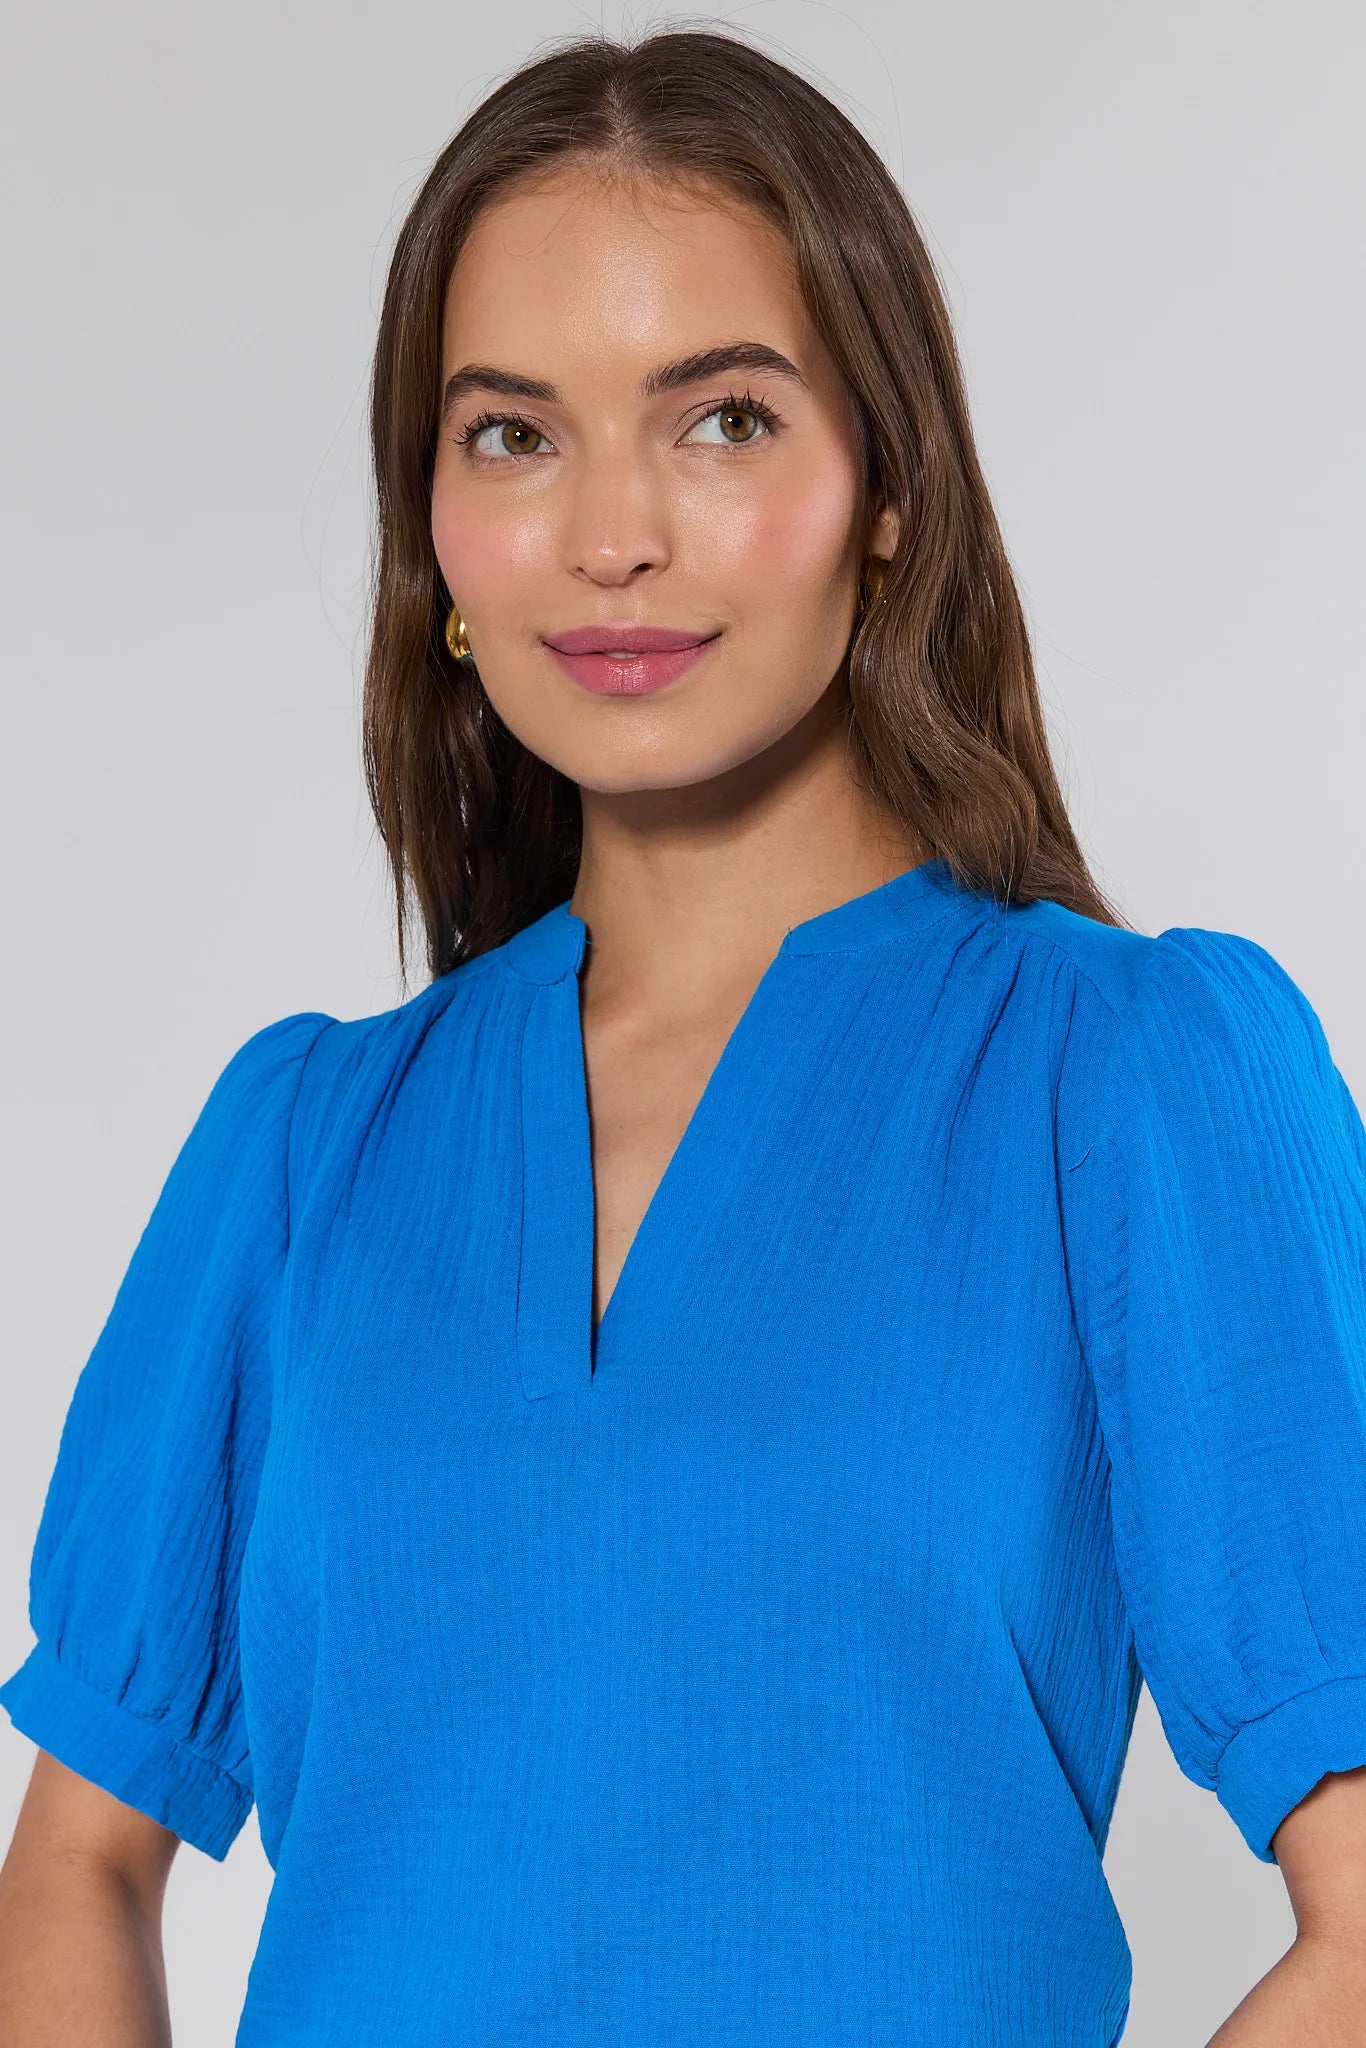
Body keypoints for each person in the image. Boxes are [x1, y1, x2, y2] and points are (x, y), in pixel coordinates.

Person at [1, 25, 1363, 2047]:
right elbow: (80, 1864)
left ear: (882, 488)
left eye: (718, 419)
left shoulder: (1130, 1071)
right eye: (510, 433)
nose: (607, 536)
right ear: (435, 536)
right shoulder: (303, 1145)